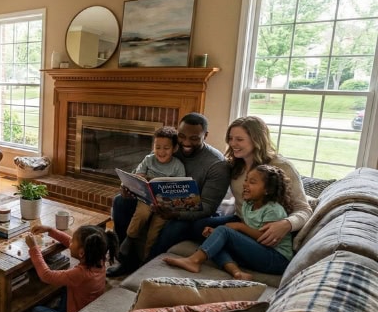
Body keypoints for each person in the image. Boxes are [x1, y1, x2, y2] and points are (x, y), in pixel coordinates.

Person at [108, 112, 230, 276]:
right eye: (182, 136)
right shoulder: (170, 146)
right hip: (154, 201)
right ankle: (126, 261)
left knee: (173, 226)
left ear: (205, 136)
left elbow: (208, 207)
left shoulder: (217, 164)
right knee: (120, 202)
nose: (186, 143)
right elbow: (141, 170)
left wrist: (176, 214)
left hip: (188, 212)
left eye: (194, 138)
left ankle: (147, 268)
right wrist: (128, 186)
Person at [165, 164, 295, 278]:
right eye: (246, 180)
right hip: (259, 254)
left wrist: (240, 227)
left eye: (252, 182)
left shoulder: (273, 210)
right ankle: (237, 272)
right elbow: (250, 231)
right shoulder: (248, 205)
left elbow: (267, 239)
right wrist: (215, 233)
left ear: (268, 190)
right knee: (214, 240)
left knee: (223, 231)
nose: (245, 184)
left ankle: (194, 260)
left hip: (276, 259)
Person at [201, 115, 312, 247]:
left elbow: (304, 209)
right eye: (230, 139)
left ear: (256, 140)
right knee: (198, 225)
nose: (232, 144)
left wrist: (286, 224)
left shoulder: (282, 167)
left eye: (239, 139)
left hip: (265, 229)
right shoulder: (233, 164)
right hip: (241, 220)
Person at [119, 126, 185, 265]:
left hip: (164, 204)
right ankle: (130, 238)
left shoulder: (178, 166)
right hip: (147, 197)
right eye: (158, 147)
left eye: (166, 148)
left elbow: (181, 187)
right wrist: (141, 178)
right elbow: (138, 175)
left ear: (174, 148)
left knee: (154, 231)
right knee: (142, 213)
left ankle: (146, 259)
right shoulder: (149, 159)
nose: (161, 152)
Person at [25, 224, 117, 312]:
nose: (70, 242)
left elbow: (46, 275)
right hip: (83, 306)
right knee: (66, 284)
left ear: (81, 253)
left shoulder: (80, 274)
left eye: (72, 241)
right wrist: (50, 230)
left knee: (36, 311)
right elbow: (70, 242)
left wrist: (34, 248)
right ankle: (59, 309)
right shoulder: (98, 259)